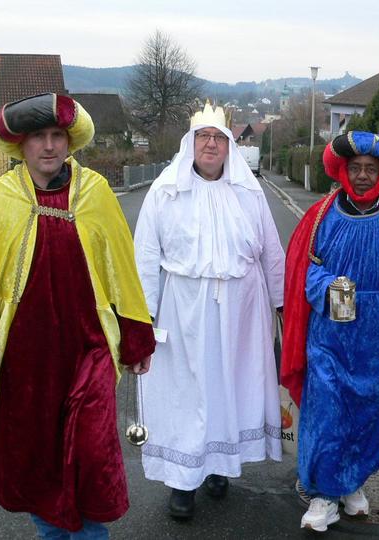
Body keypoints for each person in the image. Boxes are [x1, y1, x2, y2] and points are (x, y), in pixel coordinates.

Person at [0, 92, 155, 539]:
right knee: (40, 466)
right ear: (20, 145)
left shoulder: (96, 194)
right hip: (28, 361)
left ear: (69, 140)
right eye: (37, 136)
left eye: (56, 135)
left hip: (90, 352)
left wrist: (137, 341)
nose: (48, 146)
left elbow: (122, 271)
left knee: (90, 459)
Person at [132, 102, 285, 519]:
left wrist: (281, 303)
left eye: (219, 138)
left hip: (242, 310)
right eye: (204, 137)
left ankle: (219, 466)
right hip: (185, 311)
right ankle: (183, 482)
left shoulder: (249, 193)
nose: (211, 144)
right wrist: (141, 317)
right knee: (188, 394)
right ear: (191, 143)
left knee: (229, 388)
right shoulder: (165, 191)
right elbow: (145, 254)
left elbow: (271, 252)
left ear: (229, 146)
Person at [280, 131, 379, 533]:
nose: (362, 176)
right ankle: (324, 496)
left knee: (366, 413)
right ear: (343, 170)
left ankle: (353, 485)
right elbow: (300, 269)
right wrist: (326, 286)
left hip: (378, 338)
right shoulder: (320, 217)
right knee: (327, 412)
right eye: (356, 168)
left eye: (371, 169)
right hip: (329, 334)